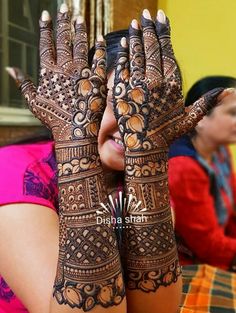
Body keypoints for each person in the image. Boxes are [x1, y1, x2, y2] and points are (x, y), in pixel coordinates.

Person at [0, 4, 226, 313]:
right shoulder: (14, 171)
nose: (129, 122)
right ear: (78, 99)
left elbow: (156, 310)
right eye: (110, 101)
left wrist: (149, 158)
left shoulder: (143, 180)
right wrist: (75, 145)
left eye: (146, 106)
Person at [168, 76, 236, 271]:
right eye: (233, 113)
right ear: (199, 118)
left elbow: (231, 215)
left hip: (218, 256)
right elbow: (208, 247)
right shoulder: (183, 167)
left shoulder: (220, 151)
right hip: (189, 270)